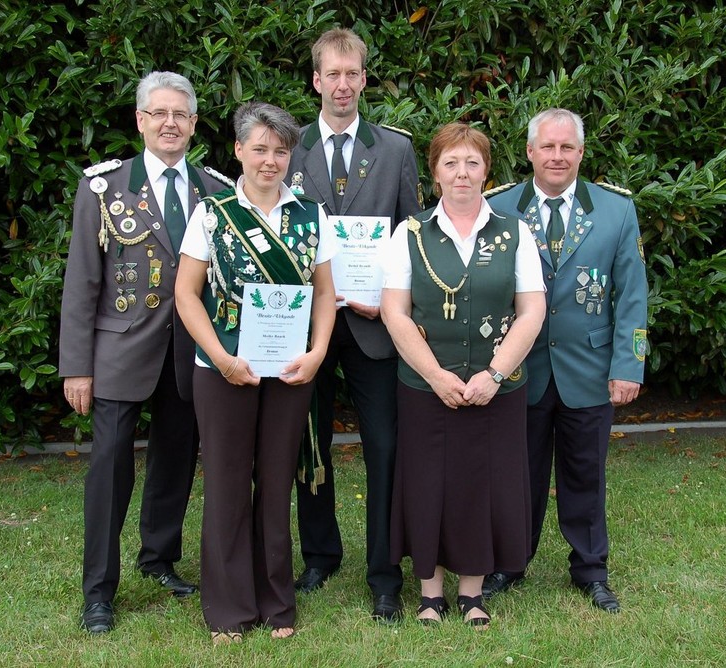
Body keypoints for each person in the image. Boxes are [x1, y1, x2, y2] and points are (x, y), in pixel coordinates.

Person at [59, 71, 233, 634]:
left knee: (175, 461)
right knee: (110, 469)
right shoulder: (103, 188)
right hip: (120, 351)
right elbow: (82, 282)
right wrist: (76, 367)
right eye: (159, 113)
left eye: (180, 114)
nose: (170, 123)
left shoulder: (215, 190)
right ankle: (98, 591)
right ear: (140, 120)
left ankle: (158, 559)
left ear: (194, 123)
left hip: (189, 352)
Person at [174, 101, 337, 644]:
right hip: (222, 367)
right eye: (260, 149)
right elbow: (186, 294)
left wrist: (317, 353)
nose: (270, 160)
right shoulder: (212, 213)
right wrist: (220, 358)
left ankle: (275, 601)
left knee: (275, 481)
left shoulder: (311, 215)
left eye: (280, 151)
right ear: (239, 150)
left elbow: (325, 295)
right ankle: (228, 608)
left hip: (290, 369)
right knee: (226, 484)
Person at [380, 123, 546, 628]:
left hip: (497, 389)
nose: (462, 173)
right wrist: (434, 375)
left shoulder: (515, 233)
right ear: (435, 173)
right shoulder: (409, 234)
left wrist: (495, 374)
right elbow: (394, 312)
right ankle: (430, 594)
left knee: (483, 485)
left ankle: (473, 593)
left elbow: (532, 311)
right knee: (427, 485)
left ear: (486, 171)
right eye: (450, 163)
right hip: (425, 389)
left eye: (472, 163)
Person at [483, 108, 648, 613]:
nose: (557, 156)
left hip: (590, 369)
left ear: (581, 152)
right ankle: (510, 562)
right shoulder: (499, 207)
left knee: (586, 473)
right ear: (530, 151)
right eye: (548, 147)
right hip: (519, 370)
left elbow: (632, 295)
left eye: (567, 147)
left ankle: (591, 569)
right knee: (517, 474)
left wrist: (629, 366)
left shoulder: (616, 210)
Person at [286, 26, 421, 624]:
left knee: (385, 448)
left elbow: (413, 235)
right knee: (308, 443)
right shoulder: (285, 147)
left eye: (352, 74)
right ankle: (320, 555)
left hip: (374, 324)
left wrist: (389, 302)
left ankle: (385, 572)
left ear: (364, 79)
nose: (342, 85)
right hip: (306, 327)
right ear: (316, 80)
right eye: (332, 74)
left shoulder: (394, 150)